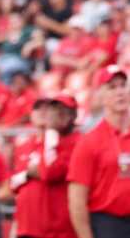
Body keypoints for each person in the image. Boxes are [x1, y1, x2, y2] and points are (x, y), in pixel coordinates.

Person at [67, 64, 130, 238]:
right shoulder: (89, 142)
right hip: (108, 224)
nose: (119, 92)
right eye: (111, 87)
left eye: (123, 85)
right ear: (100, 97)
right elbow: (77, 200)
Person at [37, 95, 79, 238]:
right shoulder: (51, 140)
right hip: (47, 222)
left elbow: (49, 172)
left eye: (61, 110)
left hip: (68, 224)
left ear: (72, 116)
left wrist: (49, 131)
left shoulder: (77, 142)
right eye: (53, 109)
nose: (55, 115)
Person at [8, 98, 49, 238]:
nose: (42, 112)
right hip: (25, 225)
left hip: (52, 227)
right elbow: (14, 185)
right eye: (38, 108)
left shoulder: (60, 144)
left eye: (47, 108)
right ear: (31, 114)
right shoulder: (23, 146)